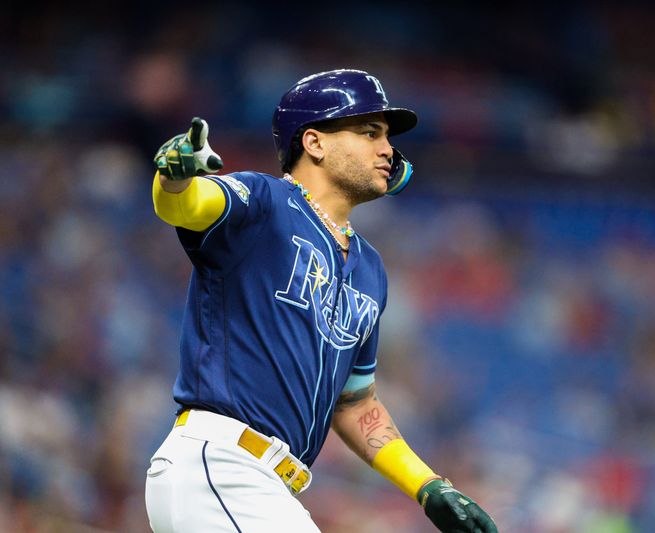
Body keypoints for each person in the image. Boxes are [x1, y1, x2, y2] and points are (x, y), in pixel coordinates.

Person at [144, 69, 497, 533]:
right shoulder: (265, 202)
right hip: (222, 465)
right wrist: (172, 179)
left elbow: (353, 403)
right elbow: (188, 206)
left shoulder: (370, 270)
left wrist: (428, 486)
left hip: (267, 484)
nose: (387, 149)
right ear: (314, 142)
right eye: (369, 132)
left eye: (387, 136)